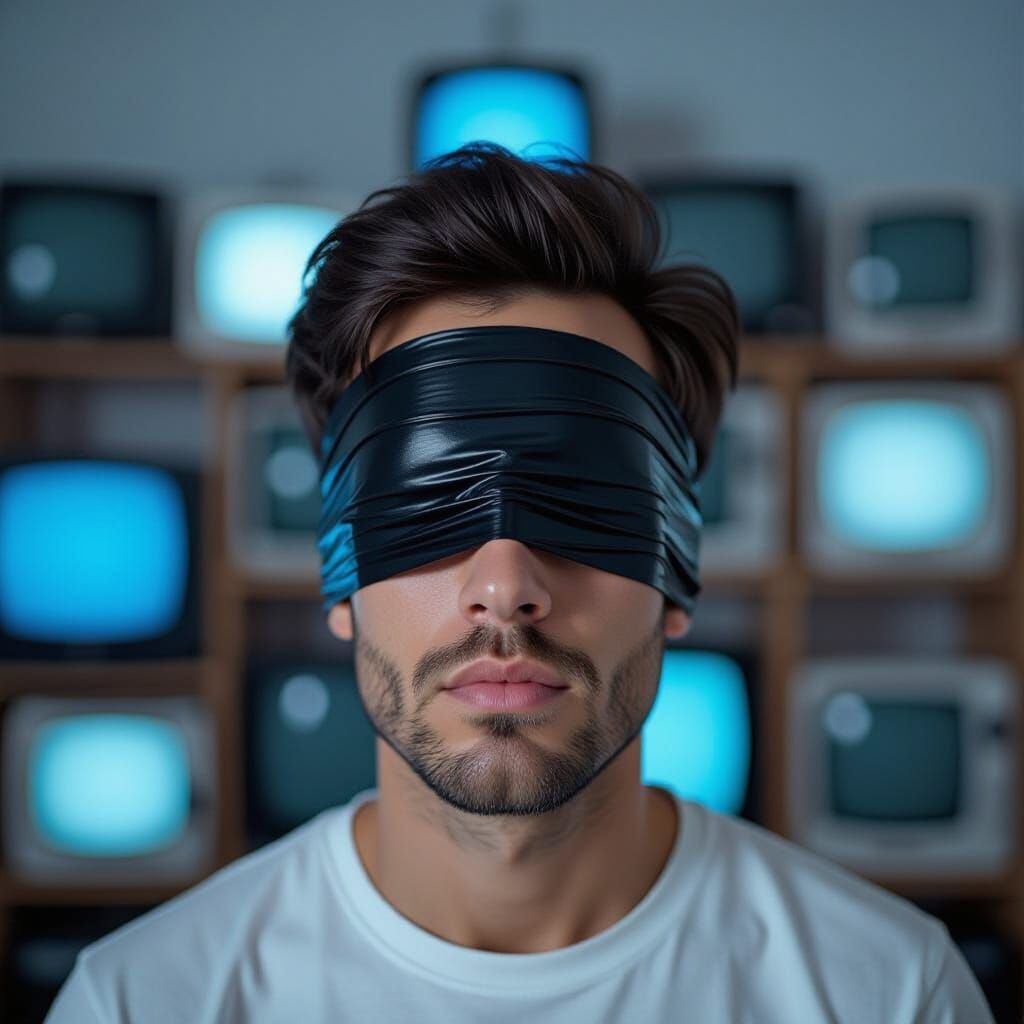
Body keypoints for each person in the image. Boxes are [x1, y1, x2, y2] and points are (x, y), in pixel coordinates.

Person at [46, 143, 993, 1023]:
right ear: (338, 574)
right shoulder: (140, 1002)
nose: (504, 583)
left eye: (583, 498)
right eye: (423, 504)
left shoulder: (892, 993)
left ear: (675, 569)